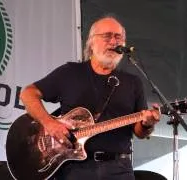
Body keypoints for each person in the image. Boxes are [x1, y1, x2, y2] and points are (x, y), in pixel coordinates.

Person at [20, 15, 161, 180]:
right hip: (74, 169)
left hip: (119, 169)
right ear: (91, 42)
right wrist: (49, 123)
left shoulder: (132, 83)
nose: (113, 41)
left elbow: (140, 132)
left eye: (118, 37)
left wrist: (147, 124)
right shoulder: (70, 72)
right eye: (107, 36)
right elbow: (28, 93)